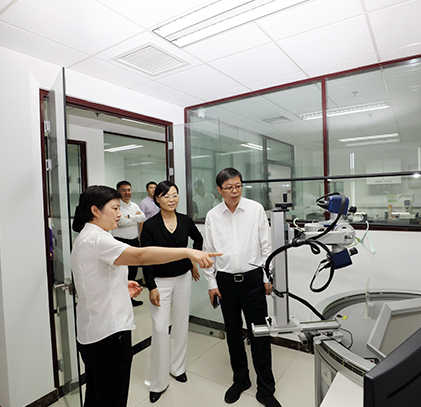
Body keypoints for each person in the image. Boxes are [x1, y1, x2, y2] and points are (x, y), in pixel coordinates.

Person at [71, 185, 220, 407]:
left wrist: (121, 285)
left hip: (94, 331)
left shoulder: (88, 236)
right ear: (95, 210)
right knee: (112, 397)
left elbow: (92, 277)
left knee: (96, 395)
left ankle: (177, 367)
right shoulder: (98, 239)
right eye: (115, 208)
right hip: (109, 333)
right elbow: (140, 256)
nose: (120, 214)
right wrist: (188, 252)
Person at [203, 168, 281, 407]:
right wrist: (211, 283)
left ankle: (265, 389)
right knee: (233, 334)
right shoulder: (213, 216)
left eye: (238, 186)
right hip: (225, 283)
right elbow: (208, 251)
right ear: (219, 190)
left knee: (260, 334)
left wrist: (267, 277)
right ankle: (241, 379)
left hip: (253, 281)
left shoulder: (255, 209)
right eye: (229, 187)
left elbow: (266, 246)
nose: (234, 191)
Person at [140, 181, 203, 403]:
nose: (171, 199)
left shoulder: (185, 220)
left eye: (175, 195)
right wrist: (151, 286)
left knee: (180, 323)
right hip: (160, 282)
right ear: (157, 198)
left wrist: (193, 259)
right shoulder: (150, 225)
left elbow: (198, 239)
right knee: (159, 329)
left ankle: (178, 368)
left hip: (183, 279)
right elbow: (146, 257)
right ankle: (158, 382)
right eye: (166, 195)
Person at [111, 180, 146, 306]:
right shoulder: (116, 206)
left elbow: (143, 218)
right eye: (124, 190)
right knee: (121, 271)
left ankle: (129, 298)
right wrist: (134, 218)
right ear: (118, 192)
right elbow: (121, 222)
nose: (127, 192)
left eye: (129, 190)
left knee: (132, 270)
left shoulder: (134, 205)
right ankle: (120, 300)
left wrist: (129, 217)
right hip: (120, 241)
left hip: (134, 241)